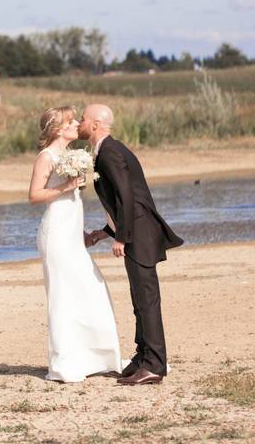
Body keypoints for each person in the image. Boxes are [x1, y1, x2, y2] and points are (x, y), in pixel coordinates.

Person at [78, 103, 184, 386]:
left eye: (83, 119)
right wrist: (104, 233)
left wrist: (123, 237)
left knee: (146, 300)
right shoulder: (107, 150)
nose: (79, 122)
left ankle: (155, 365)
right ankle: (142, 358)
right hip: (135, 230)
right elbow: (122, 200)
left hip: (139, 234)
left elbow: (126, 196)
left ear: (97, 124)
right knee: (140, 299)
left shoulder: (110, 152)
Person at [29, 106, 122, 383]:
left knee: (91, 289)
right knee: (63, 295)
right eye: (72, 122)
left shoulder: (70, 156)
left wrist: (81, 230)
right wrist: (66, 187)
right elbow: (34, 195)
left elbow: (72, 200)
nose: (77, 124)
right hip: (55, 234)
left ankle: (97, 357)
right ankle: (65, 362)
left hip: (70, 231)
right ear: (58, 129)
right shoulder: (46, 157)